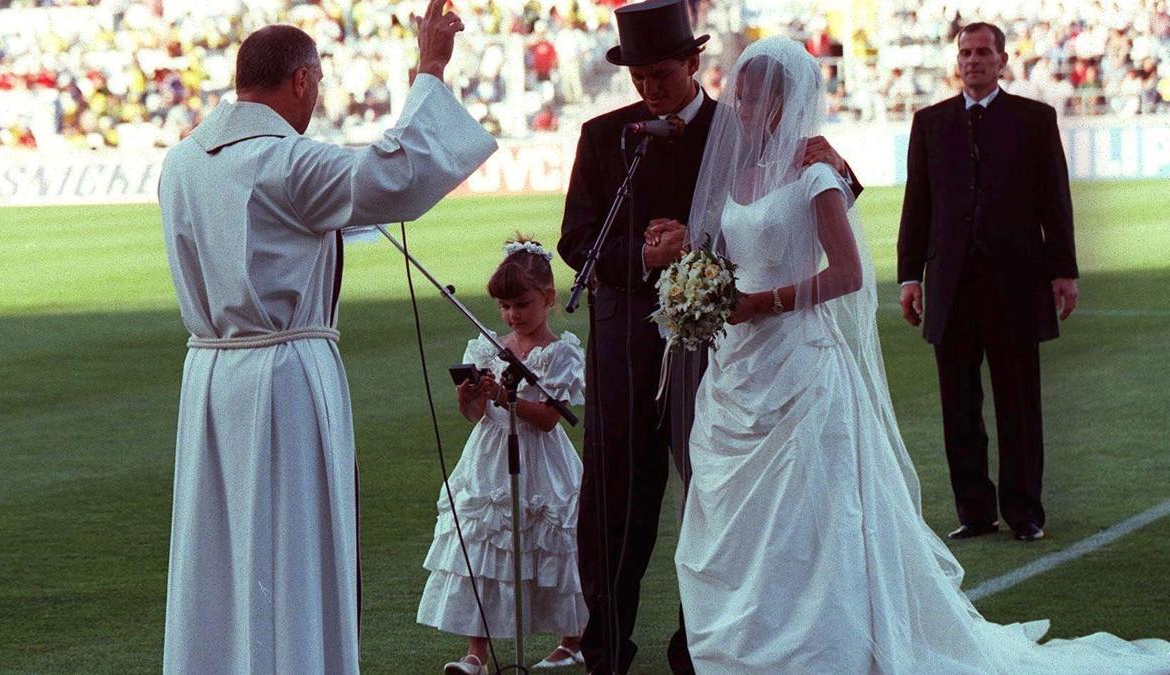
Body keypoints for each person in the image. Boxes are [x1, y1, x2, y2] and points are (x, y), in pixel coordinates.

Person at [674, 36, 1170, 674]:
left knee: (818, 511)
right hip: (739, 365)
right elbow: (727, 251)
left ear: (785, 102)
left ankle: (829, 640)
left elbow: (849, 274)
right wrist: (695, 277)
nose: (740, 113)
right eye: (737, 100)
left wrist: (765, 302)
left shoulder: (816, 171)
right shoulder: (739, 174)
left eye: (754, 101)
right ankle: (758, 636)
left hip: (800, 362)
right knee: (759, 521)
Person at [158, 7, 497, 673]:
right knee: (294, 546)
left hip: (211, 375)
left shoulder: (181, 161)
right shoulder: (286, 160)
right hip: (285, 371)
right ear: (304, 81)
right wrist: (428, 69)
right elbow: (397, 177)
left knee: (221, 550)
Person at [556, 1, 860, 672]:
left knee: (719, 499)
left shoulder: (744, 127)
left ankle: (707, 645)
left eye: (661, 72)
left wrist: (840, 164)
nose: (649, 88)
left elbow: (816, 208)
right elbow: (576, 240)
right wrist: (643, 259)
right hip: (625, 348)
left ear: (695, 64)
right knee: (615, 500)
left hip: (726, 351)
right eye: (637, 76)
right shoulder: (605, 137)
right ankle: (605, 646)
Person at [898, 22, 1078, 542]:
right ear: (957, 62)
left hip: (1017, 283)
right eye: (966, 53)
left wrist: (1063, 270)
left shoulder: (1034, 119)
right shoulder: (930, 123)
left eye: (983, 53)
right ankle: (975, 511)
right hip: (951, 285)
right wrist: (910, 275)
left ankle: (1025, 512)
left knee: (1019, 404)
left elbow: (1054, 201)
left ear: (1003, 60)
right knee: (958, 406)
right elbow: (919, 207)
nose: (973, 60)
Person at [416, 236, 588, 675]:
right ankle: (477, 651)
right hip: (490, 455)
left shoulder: (560, 353)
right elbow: (475, 415)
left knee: (555, 542)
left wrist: (508, 396)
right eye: (505, 307)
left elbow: (550, 418)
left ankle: (573, 639)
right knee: (484, 545)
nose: (513, 315)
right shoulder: (487, 346)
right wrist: (470, 396)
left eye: (522, 304)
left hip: (540, 458)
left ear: (548, 299)